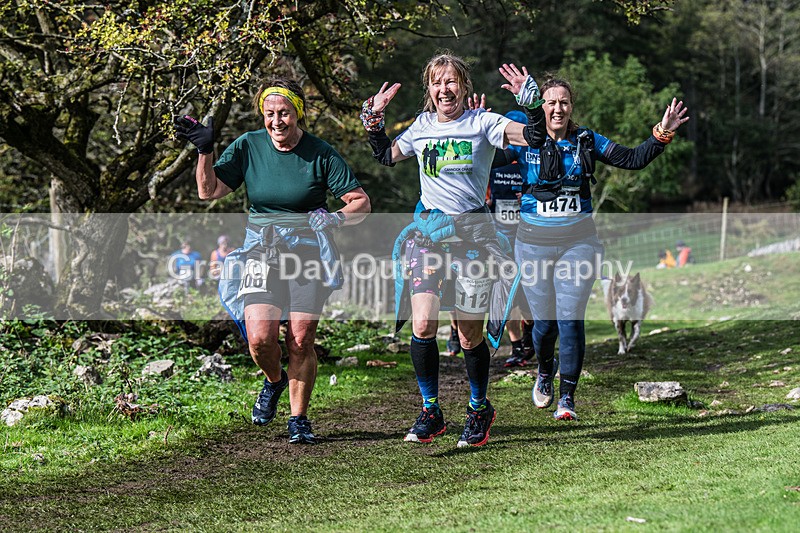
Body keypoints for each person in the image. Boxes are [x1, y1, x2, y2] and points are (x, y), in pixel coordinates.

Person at [360, 53, 546, 447]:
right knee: (423, 325)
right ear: (429, 89)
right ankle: (432, 410)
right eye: (437, 82)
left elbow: (533, 138)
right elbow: (386, 156)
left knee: (467, 335)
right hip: (428, 237)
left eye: (452, 81)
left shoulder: (483, 123)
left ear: (464, 86)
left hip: (473, 239)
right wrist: (373, 121)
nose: (445, 89)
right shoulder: (422, 126)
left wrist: (532, 107)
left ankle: (480, 408)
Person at [175, 77, 371, 444]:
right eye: (269, 114)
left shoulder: (320, 152)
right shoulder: (249, 146)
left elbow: (360, 201)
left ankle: (299, 419)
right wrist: (204, 151)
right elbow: (208, 191)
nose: (277, 121)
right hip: (261, 252)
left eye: (284, 113)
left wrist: (335, 218)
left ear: (298, 113)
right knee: (260, 340)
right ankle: (274, 380)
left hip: (307, 253)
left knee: (300, 338)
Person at [505, 76, 689, 421]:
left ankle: (568, 398)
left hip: (579, 242)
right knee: (544, 324)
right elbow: (485, 158)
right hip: (532, 246)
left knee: (571, 317)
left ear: (571, 106)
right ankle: (546, 371)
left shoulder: (586, 140)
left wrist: (662, 132)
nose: (557, 108)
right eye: (550, 102)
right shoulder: (522, 140)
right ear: (540, 106)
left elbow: (633, 159)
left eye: (564, 102)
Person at [487, 110, 535, 368]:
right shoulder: (496, 158)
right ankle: (517, 347)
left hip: (530, 234)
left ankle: (529, 338)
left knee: (529, 293)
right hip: (500, 236)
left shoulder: (532, 159)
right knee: (508, 294)